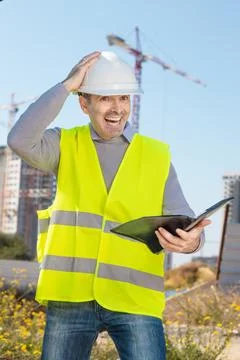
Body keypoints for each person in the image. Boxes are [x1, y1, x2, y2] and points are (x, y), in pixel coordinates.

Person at [8, 51, 210, 360]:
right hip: (70, 297)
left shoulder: (156, 157)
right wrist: (65, 85)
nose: (117, 109)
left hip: (134, 300)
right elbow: (19, 139)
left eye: (124, 98)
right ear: (84, 104)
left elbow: (187, 220)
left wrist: (192, 241)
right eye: (105, 99)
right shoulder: (64, 145)